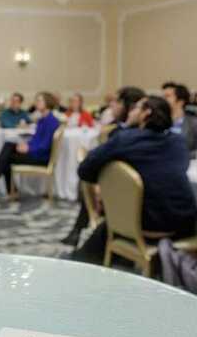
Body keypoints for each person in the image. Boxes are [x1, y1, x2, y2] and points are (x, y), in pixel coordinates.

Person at [68, 96, 197, 263]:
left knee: (110, 223)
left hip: (145, 223)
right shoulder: (178, 142)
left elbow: (85, 170)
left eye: (136, 108)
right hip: (182, 222)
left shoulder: (127, 139)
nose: (131, 111)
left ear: (146, 113)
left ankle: (82, 264)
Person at [61, 86, 146, 247]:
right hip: (121, 186)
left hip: (130, 195)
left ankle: (79, 231)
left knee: (89, 173)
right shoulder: (121, 129)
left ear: (128, 106)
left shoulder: (126, 134)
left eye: (116, 101)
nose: (111, 105)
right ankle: (78, 230)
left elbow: (93, 165)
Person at [0, 92, 60, 194]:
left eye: (39, 100)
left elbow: (45, 145)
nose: (36, 103)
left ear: (47, 102)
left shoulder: (51, 121)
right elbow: (36, 139)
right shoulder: (43, 119)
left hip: (41, 157)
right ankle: (0, 178)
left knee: (7, 158)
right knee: (9, 144)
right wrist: (27, 145)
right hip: (36, 152)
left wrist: (29, 148)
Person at [162, 82, 197, 157]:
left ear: (180, 101)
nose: (162, 100)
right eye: (163, 96)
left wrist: (175, 156)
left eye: (167, 96)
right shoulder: (157, 123)